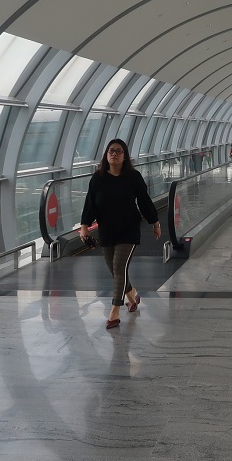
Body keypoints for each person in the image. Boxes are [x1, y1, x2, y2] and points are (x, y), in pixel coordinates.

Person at [79, 138, 162, 328]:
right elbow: (90, 203)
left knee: (119, 267)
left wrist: (155, 222)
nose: (114, 154)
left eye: (118, 151)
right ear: (106, 155)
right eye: (111, 151)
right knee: (116, 271)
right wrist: (84, 226)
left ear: (125, 156)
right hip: (107, 230)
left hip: (128, 229)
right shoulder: (98, 178)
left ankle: (115, 311)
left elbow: (144, 201)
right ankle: (132, 295)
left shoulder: (133, 177)